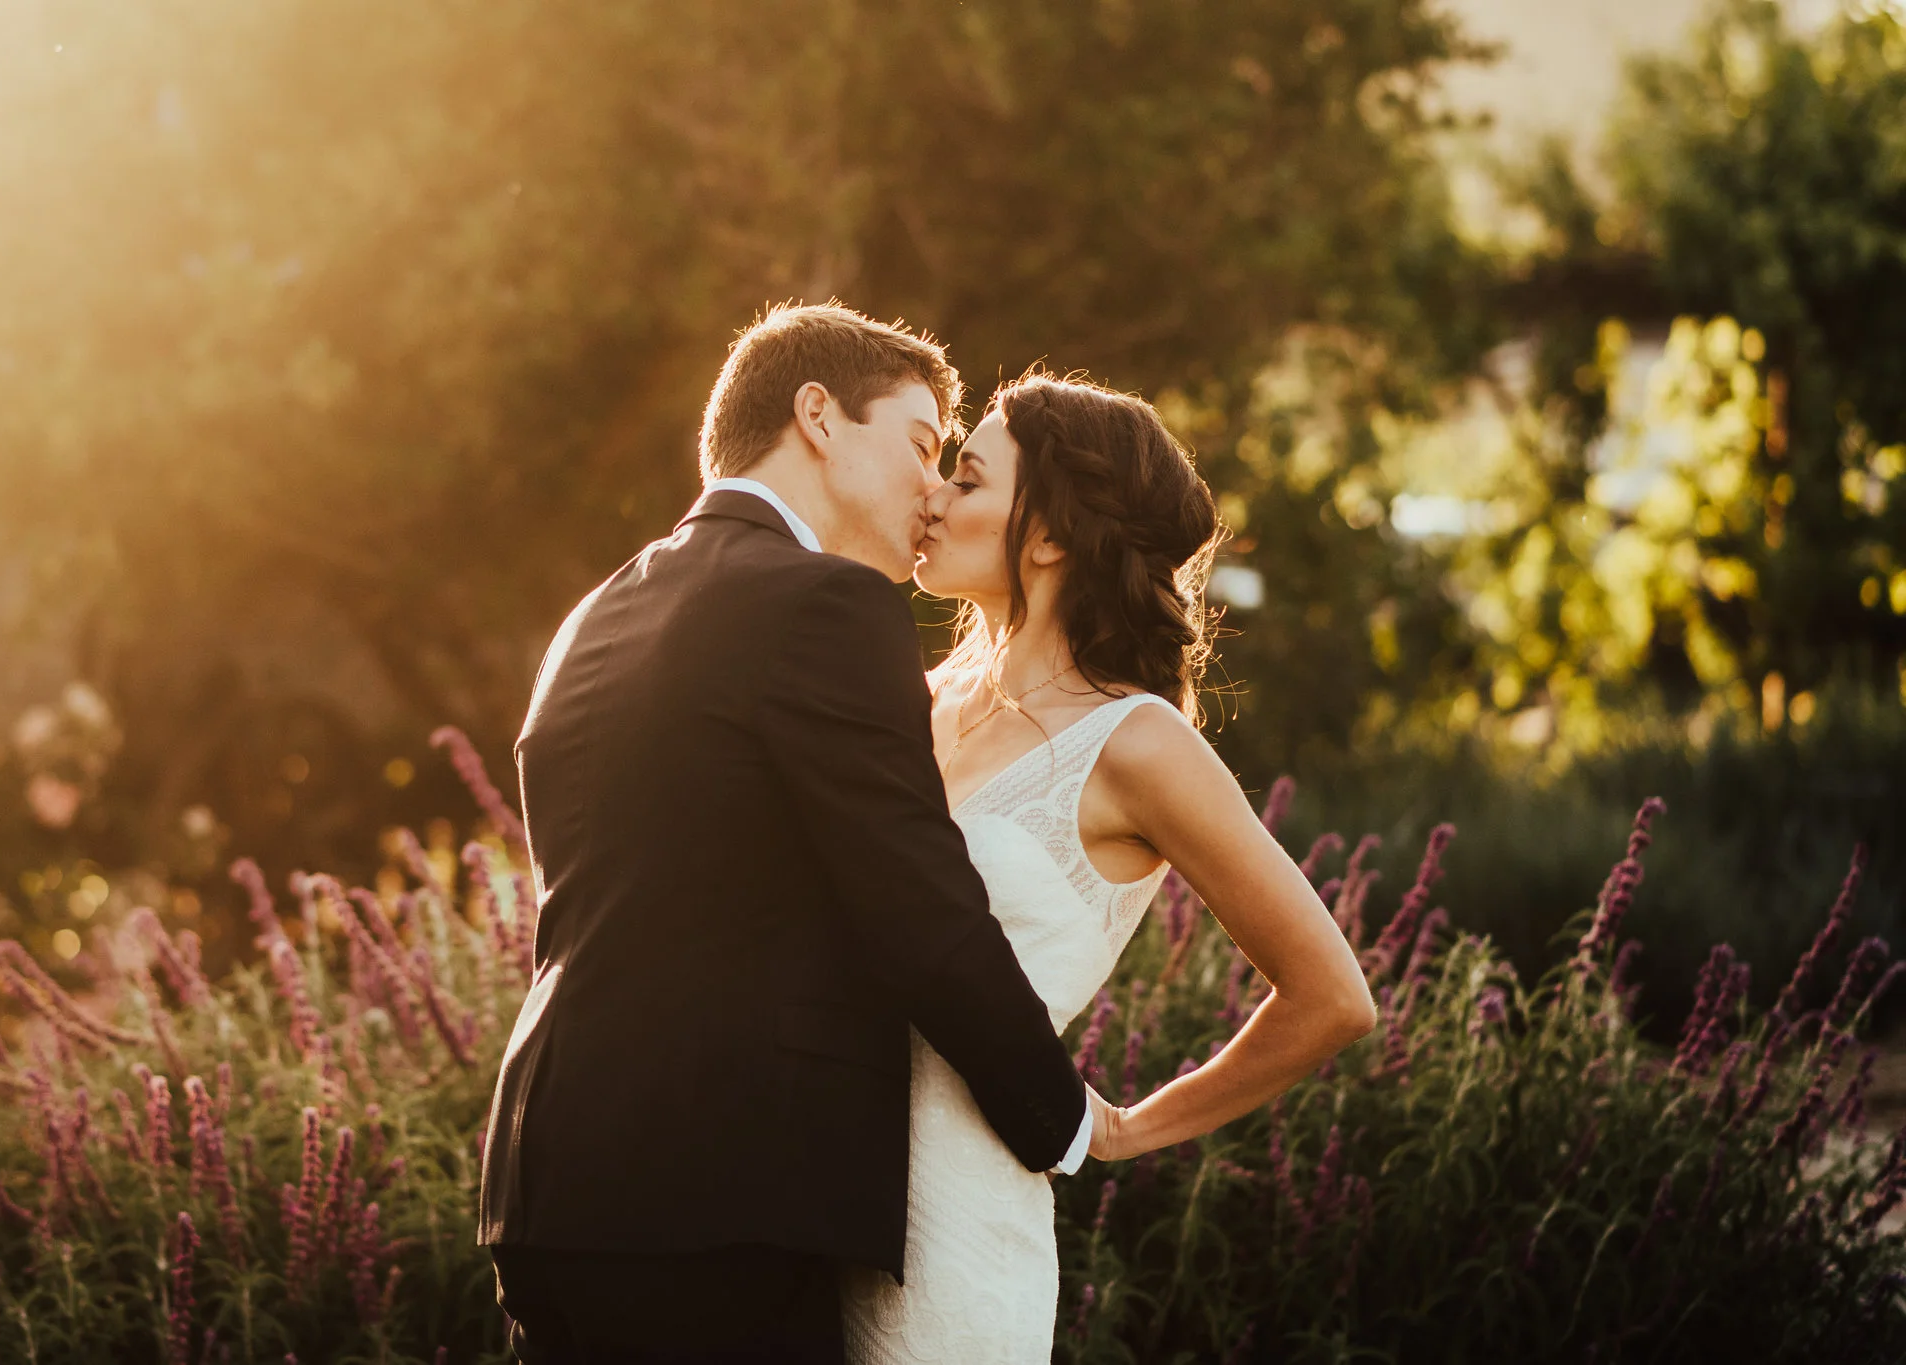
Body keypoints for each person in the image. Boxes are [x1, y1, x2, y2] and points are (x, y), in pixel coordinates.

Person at [477, 304, 1094, 1363]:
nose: (931, 489)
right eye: (916, 443)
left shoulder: (599, 613)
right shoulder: (822, 605)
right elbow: (917, 903)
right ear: (817, 417)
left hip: (545, 1186)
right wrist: (1065, 1119)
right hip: (714, 1200)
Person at [840, 372, 1377, 1363]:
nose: (933, 498)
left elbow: (1330, 997)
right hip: (815, 1213)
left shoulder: (1134, 742)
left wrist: (1125, 1130)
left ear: (1044, 536)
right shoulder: (911, 701)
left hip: (955, 1239)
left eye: (965, 477)